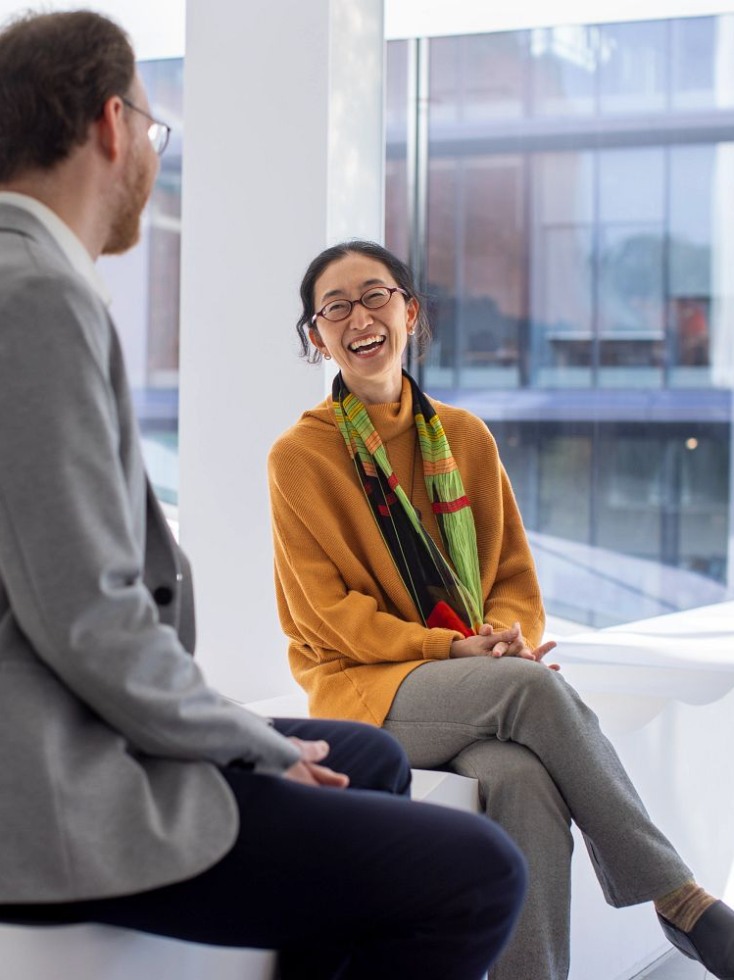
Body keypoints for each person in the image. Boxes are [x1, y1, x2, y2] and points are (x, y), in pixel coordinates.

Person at [0, 12, 529, 979]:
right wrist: (244, 741)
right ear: (114, 127)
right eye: (157, 134)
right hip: (43, 781)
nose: (155, 161)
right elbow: (88, 618)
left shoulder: (31, 281)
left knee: (367, 762)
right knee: (480, 872)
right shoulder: (33, 294)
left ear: (410, 315)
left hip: (68, 716)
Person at [268, 238, 734, 980]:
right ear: (316, 336)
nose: (358, 315)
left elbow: (514, 576)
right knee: (530, 688)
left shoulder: (464, 437)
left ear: (410, 312)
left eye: (375, 295)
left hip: (472, 680)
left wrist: (503, 634)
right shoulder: (300, 455)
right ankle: (680, 899)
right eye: (335, 306)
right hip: (366, 686)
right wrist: (454, 651)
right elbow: (327, 615)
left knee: (521, 780)